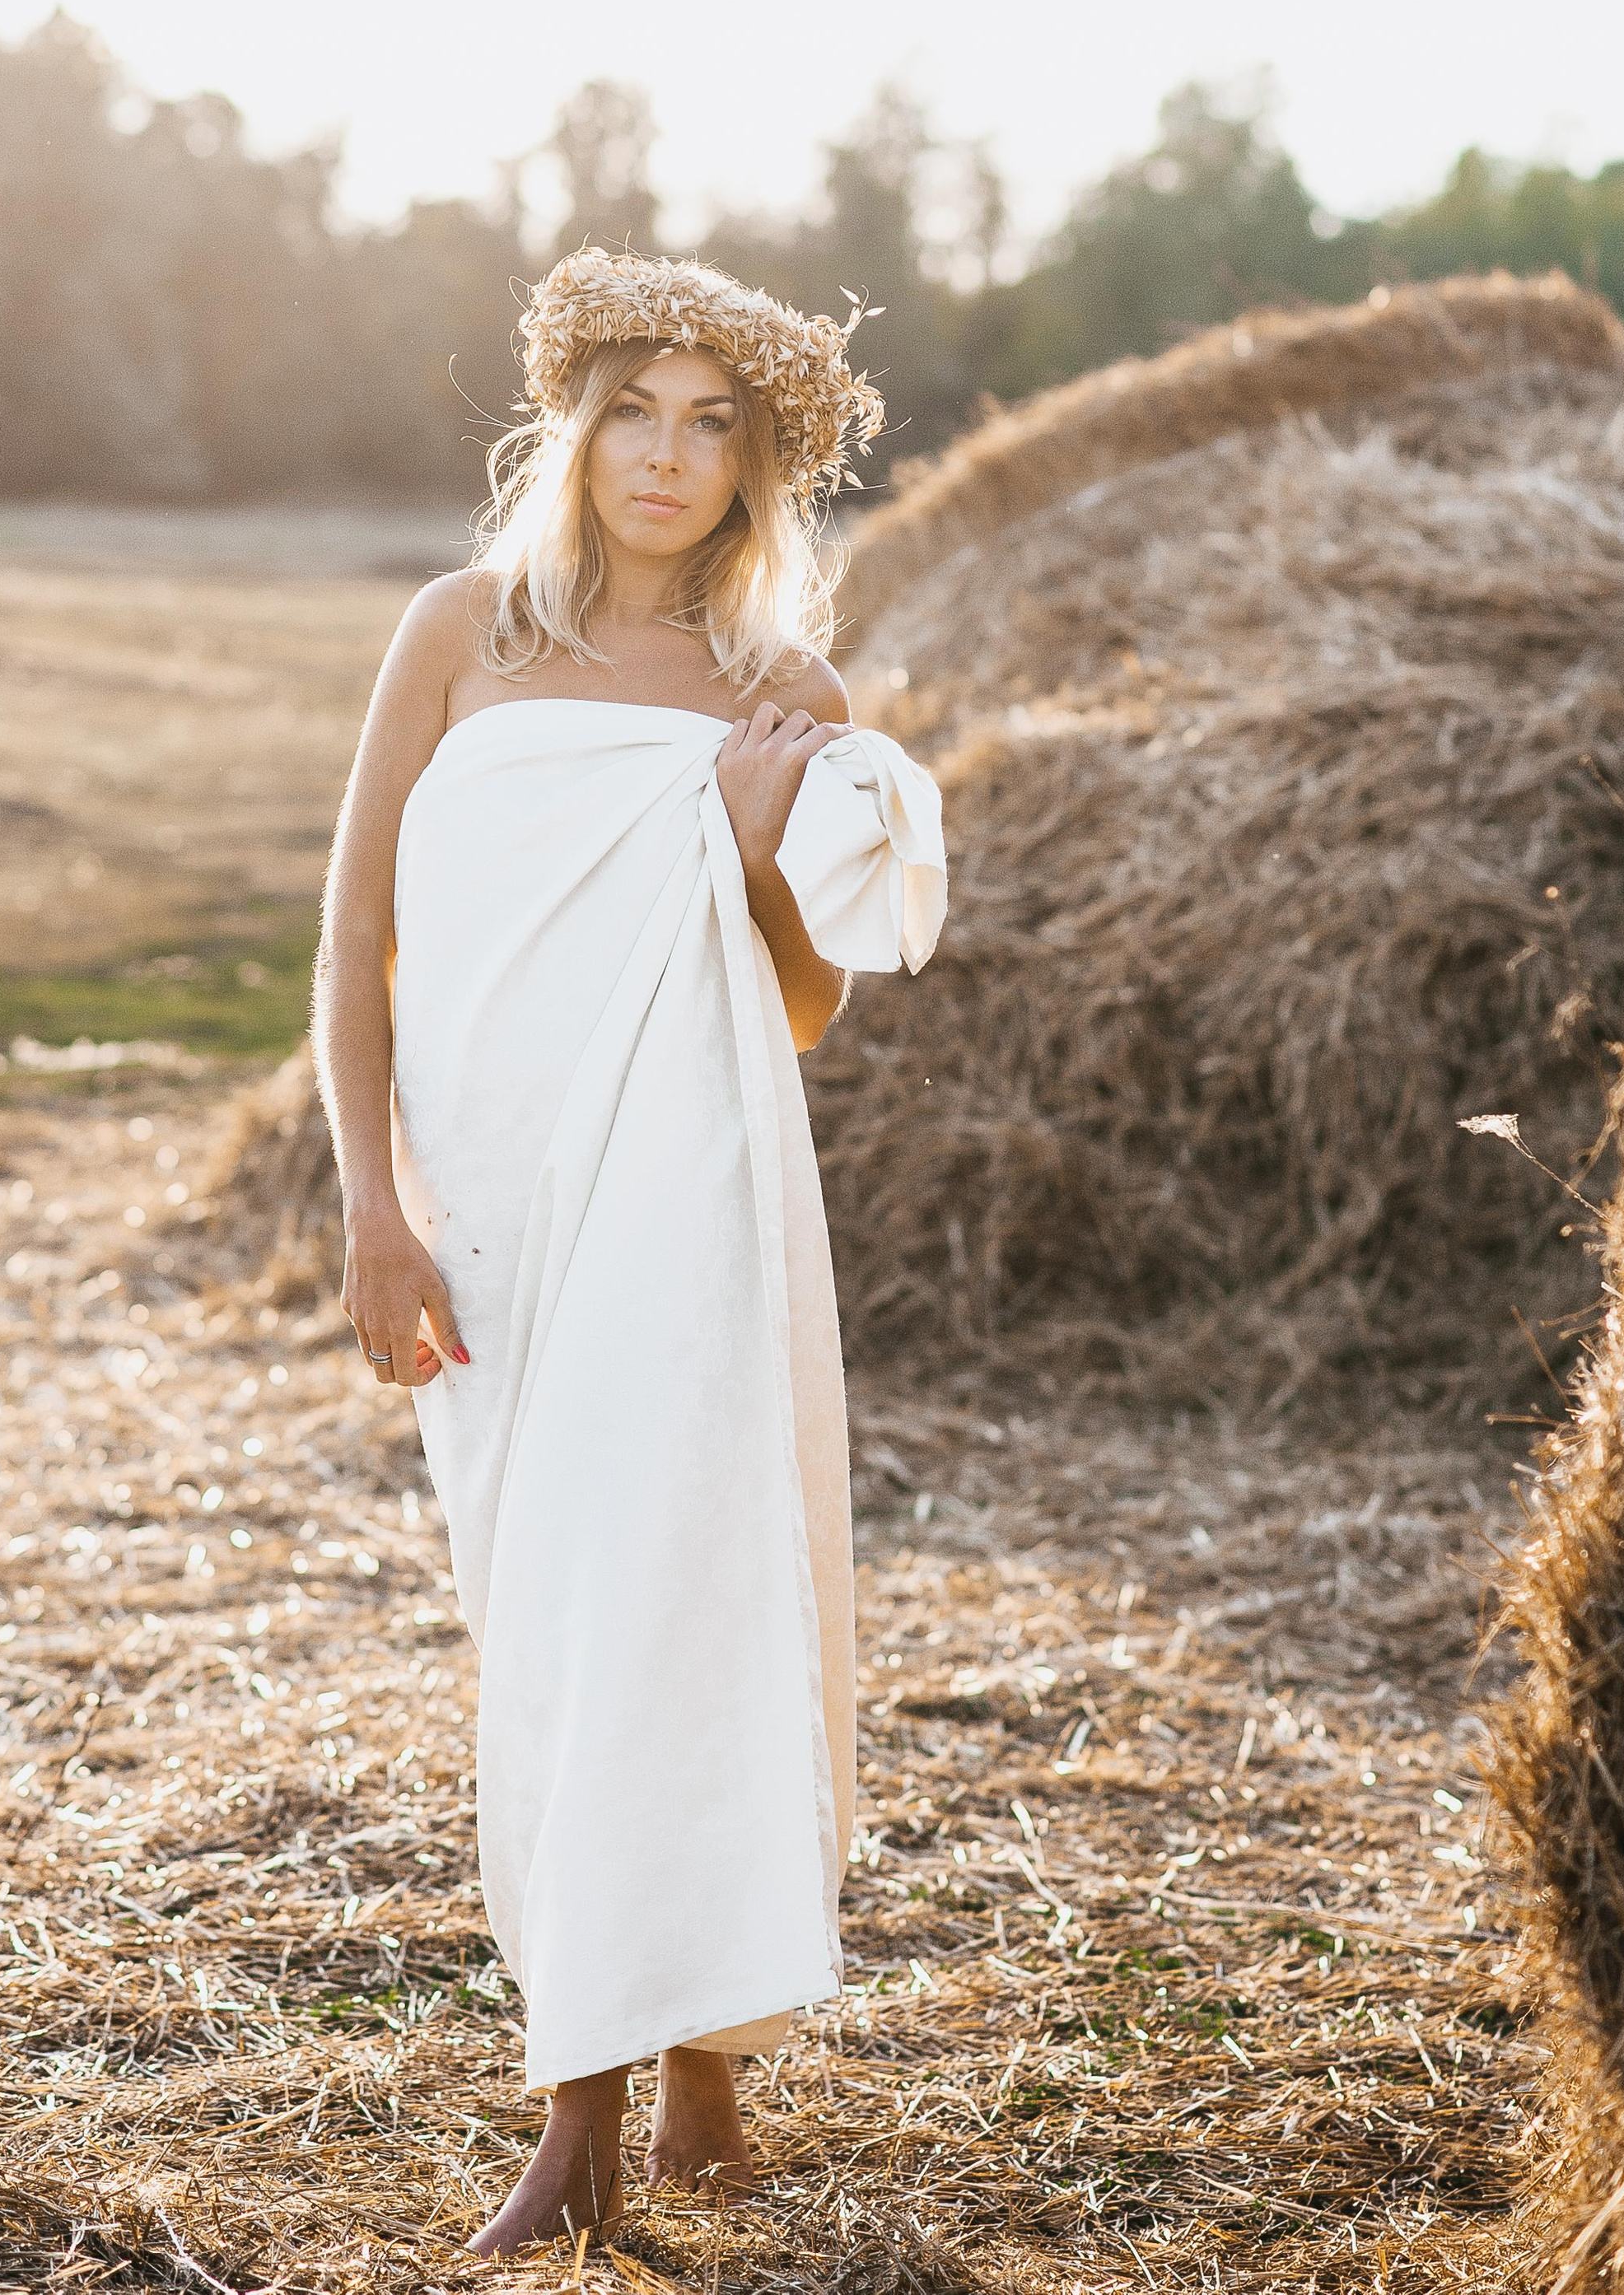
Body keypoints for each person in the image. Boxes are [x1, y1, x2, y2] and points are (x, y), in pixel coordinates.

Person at [312, 245, 946, 2255]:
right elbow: (350, 948)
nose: (664, 457)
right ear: (570, 426)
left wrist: (764, 853)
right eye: (634, 411)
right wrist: (371, 1203)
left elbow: (803, 1010)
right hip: (485, 1208)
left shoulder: (784, 695)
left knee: (663, 1600)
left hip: (686, 1196)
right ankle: (684, 2064)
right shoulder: (455, 634)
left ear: (760, 472)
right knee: (551, 1621)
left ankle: (596, 2102)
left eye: (714, 427)